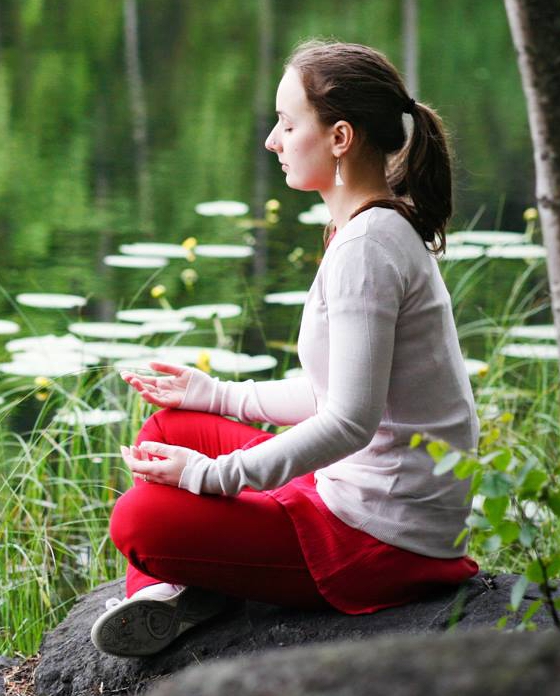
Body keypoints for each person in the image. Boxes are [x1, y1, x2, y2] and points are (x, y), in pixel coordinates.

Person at [91, 39, 479, 658]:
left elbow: (350, 421)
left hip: (381, 535)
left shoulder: (369, 249)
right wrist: (216, 394)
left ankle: (179, 586)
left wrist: (213, 477)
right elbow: (339, 394)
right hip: (352, 491)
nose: (273, 140)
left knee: (137, 520)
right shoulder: (370, 226)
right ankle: (186, 589)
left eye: (289, 123)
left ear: (340, 138)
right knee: (172, 425)